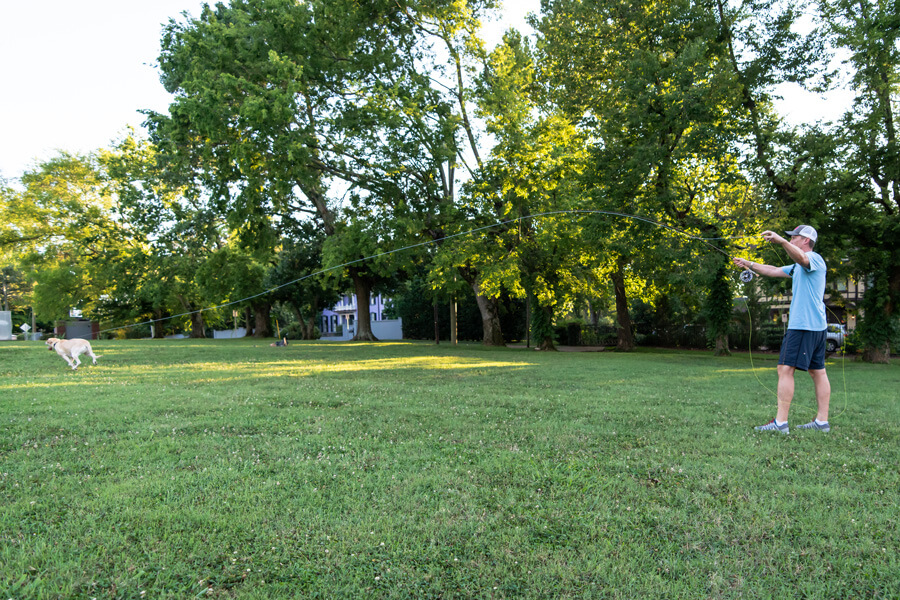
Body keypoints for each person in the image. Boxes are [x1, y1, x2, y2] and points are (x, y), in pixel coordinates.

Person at [733, 224, 831, 434]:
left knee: (785, 369)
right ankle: (822, 422)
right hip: (816, 326)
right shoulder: (798, 267)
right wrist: (748, 263)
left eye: (794, 237)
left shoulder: (814, 259)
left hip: (803, 326)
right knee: (818, 372)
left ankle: (780, 423)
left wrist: (782, 241)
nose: (791, 239)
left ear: (805, 240)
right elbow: (774, 270)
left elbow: (802, 259)